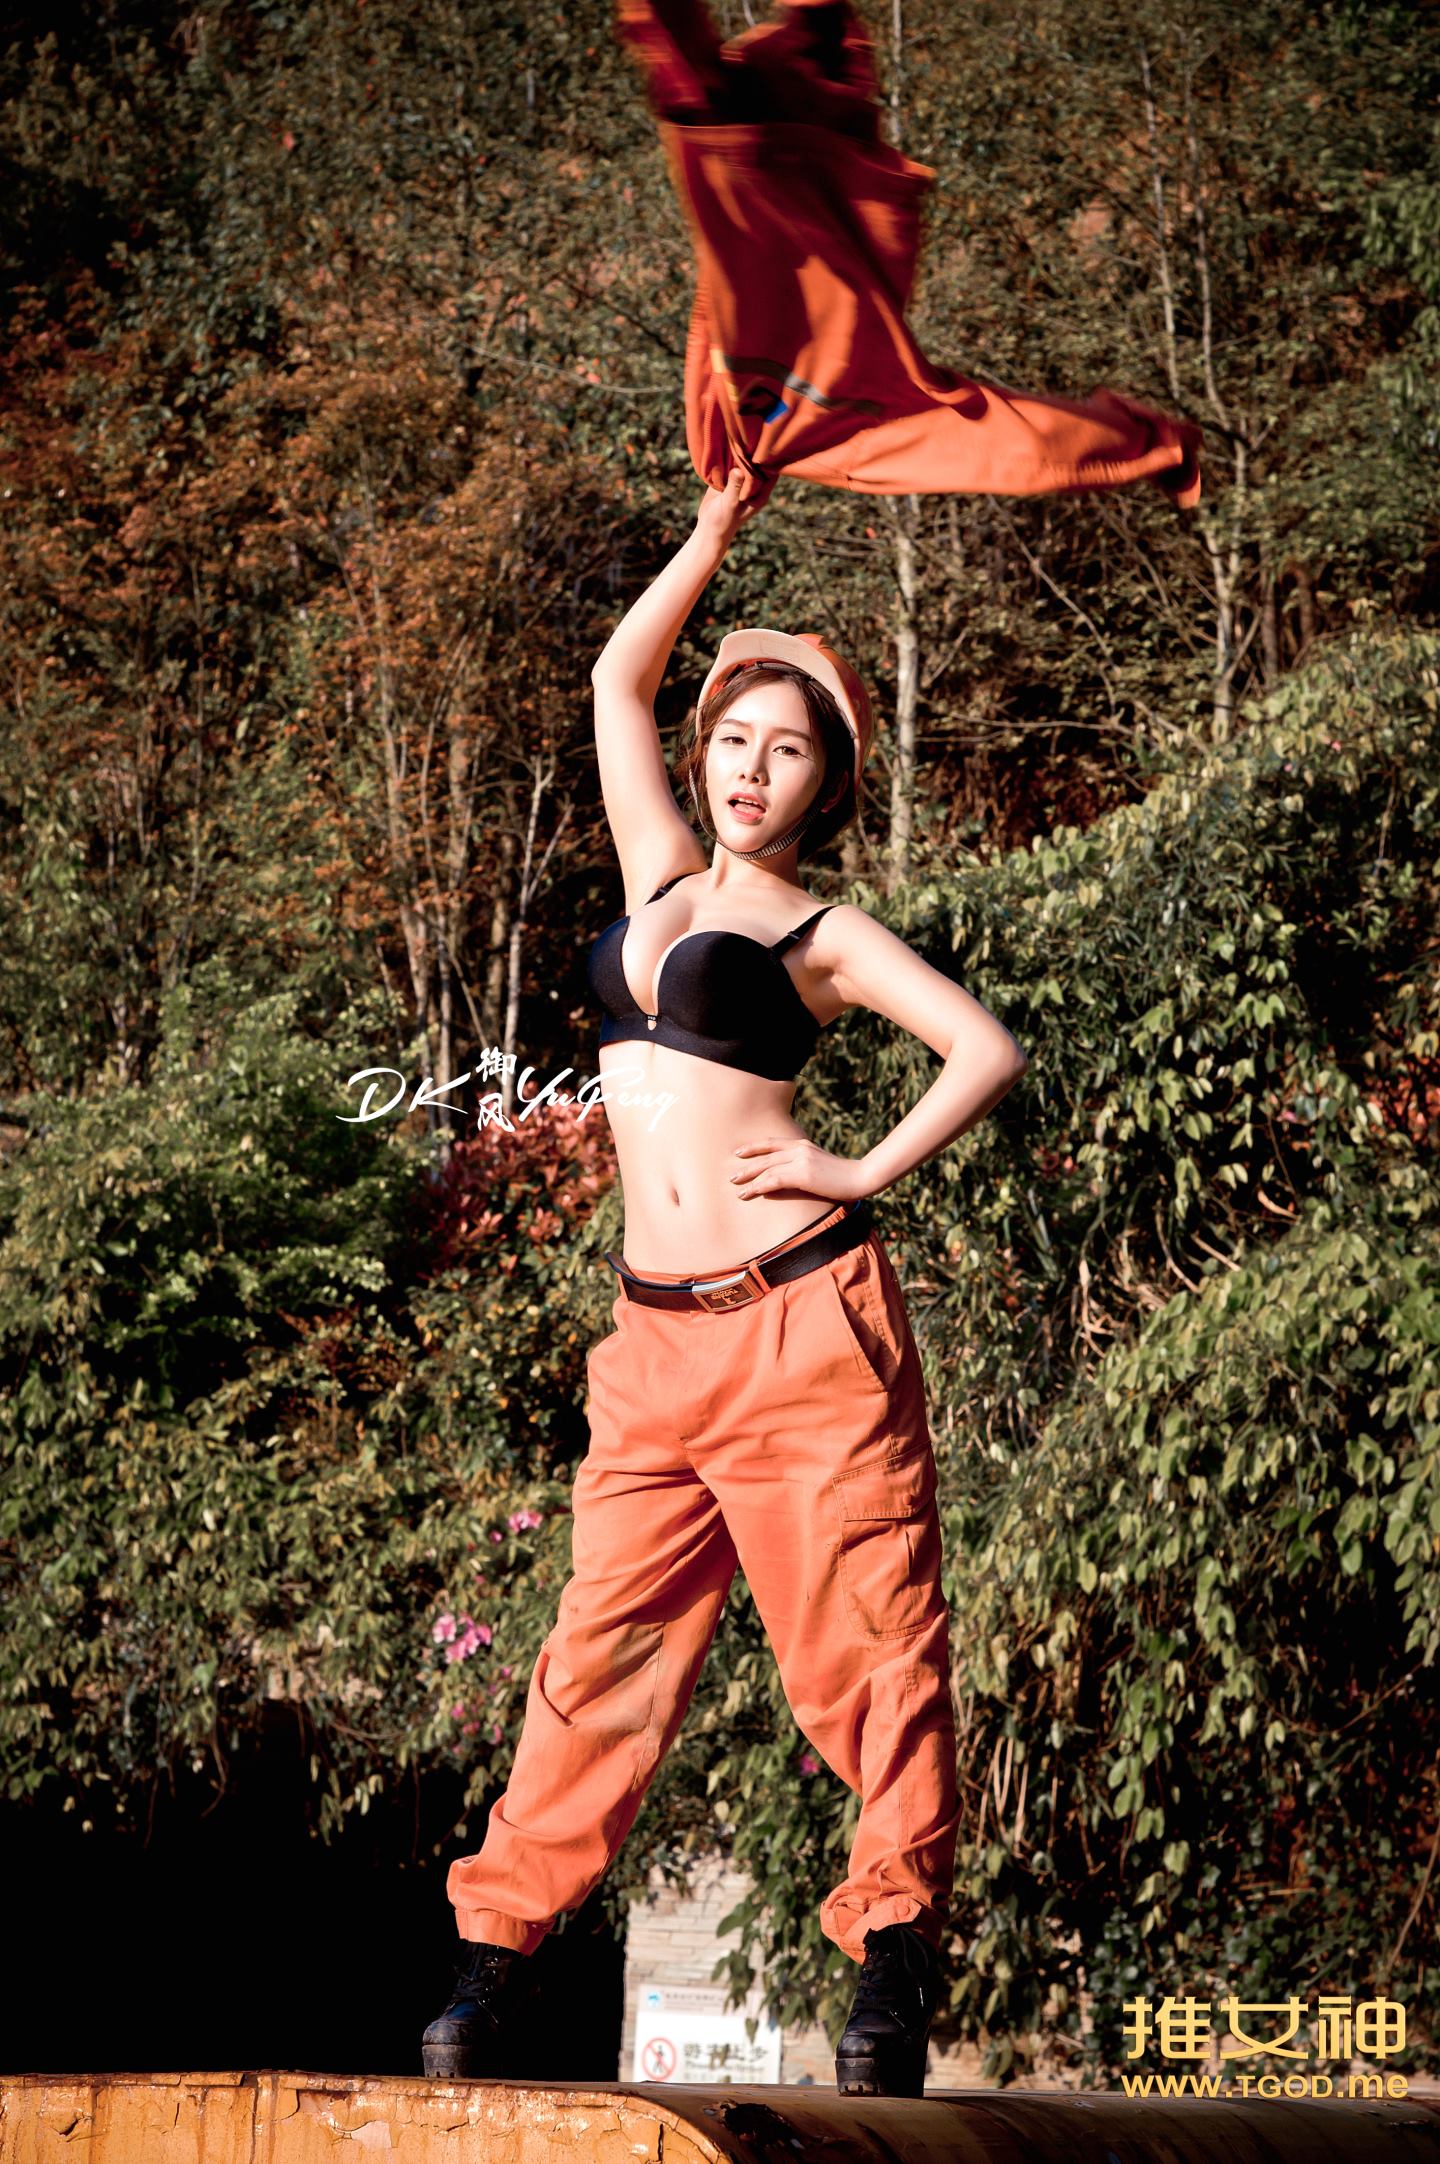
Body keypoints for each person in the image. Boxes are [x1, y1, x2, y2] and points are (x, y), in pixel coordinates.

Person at [421, 466, 1029, 2097]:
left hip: (800, 1330)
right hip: (651, 1349)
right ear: (706, 755)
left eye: (790, 750)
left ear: (827, 781)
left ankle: (890, 1966)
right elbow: (618, 679)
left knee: (869, 1650)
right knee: (595, 1653)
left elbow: (983, 1048)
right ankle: (494, 1962)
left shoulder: (822, 934)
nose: (754, 769)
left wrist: (859, 1168)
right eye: (737, 740)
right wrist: (711, 531)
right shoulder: (658, 876)